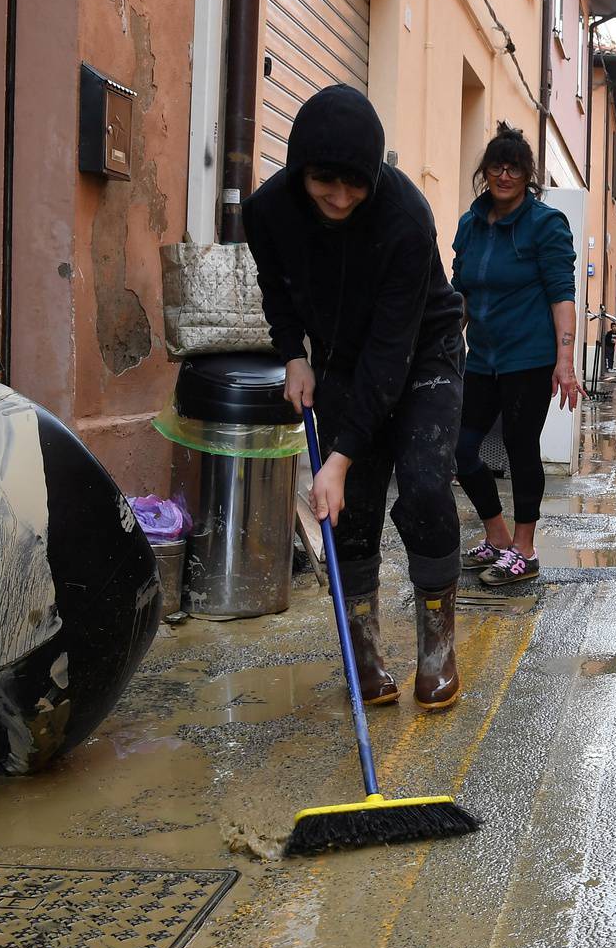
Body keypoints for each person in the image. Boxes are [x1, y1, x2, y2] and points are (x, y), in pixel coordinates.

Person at [243, 84, 467, 709]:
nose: (340, 199)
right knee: (350, 509)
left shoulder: (405, 216)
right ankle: (363, 651)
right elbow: (277, 288)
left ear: (375, 176)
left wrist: (338, 458)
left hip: (423, 347)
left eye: (355, 185)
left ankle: (436, 647)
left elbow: (391, 352)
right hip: (338, 353)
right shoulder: (268, 213)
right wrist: (294, 355)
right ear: (299, 170)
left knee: (423, 482)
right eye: (325, 183)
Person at [449, 122, 581, 589]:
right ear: (485, 171)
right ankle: (497, 534)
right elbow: (459, 292)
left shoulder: (544, 224)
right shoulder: (470, 224)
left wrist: (564, 362)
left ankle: (525, 550)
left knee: (522, 449)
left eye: (515, 168)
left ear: (528, 174)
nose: (504, 176)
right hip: (482, 357)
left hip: (529, 358)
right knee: (461, 449)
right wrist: (443, 344)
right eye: (496, 167)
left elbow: (561, 295)